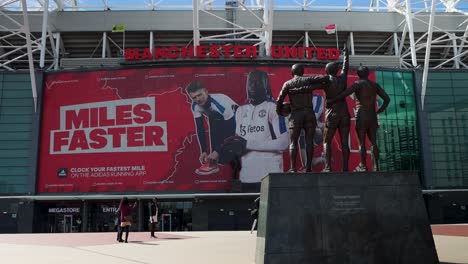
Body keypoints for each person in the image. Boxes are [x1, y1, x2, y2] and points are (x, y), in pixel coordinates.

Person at [221, 70, 289, 186]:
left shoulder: (275, 108)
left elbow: (284, 143)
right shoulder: (240, 111)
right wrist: (229, 151)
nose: (254, 86)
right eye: (251, 82)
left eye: (258, 82)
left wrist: (247, 144)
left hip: (270, 178)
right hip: (245, 178)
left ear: (265, 84)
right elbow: (240, 143)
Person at [290, 45, 350, 172]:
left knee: (326, 141)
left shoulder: (326, 81)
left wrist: (298, 89)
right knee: (345, 142)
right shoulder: (343, 78)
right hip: (344, 113)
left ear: (327, 72)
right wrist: (346, 55)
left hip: (332, 114)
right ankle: (345, 168)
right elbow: (345, 68)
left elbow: (310, 87)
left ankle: (327, 167)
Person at [327, 65, 390, 171]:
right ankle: (376, 166)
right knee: (374, 142)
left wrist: (333, 100)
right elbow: (387, 99)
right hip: (372, 116)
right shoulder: (374, 85)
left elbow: (344, 94)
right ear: (368, 73)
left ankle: (364, 166)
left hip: (361, 115)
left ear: (358, 74)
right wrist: (380, 110)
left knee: (362, 143)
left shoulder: (357, 84)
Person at [276, 64, 329, 172]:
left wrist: (279, 112)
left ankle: (293, 168)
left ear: (292, 72)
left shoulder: (288, 83)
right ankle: (308, 168)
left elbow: (279, 100)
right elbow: (324, 78)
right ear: (302, 72)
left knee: (293, 142)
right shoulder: (307, 80)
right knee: (309, 141)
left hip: (296, 115)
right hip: (309, 114)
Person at [186, 81, 238, 175]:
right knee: (213, 120)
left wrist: (217, 151)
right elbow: (200, 129)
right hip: (220, 120)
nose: (198, 99)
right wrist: (204, 151)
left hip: (238, 120)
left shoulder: (219, 103)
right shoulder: (195, 106)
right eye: (194, 97)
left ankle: (217, 157)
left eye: (200, 95)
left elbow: (231, 128)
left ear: (206, 91)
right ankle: (213, 163)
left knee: (223, 157)